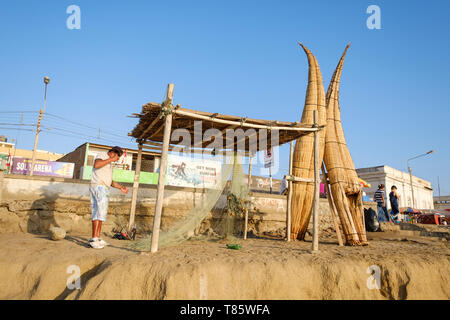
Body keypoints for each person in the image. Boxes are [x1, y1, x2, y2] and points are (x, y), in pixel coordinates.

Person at [89, 146, 129, 249]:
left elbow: (110, 181)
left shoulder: (108, 164)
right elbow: (97, 164)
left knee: (99, 213)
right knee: (99, 213)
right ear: (112, 153)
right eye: (117, 156)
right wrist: (111, 159)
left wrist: (121, 187)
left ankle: (97, 238)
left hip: (102, 186)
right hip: (99, 187)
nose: (117, 159)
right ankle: (94, 238)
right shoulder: (102, 156)